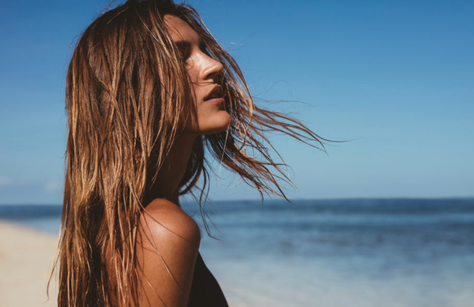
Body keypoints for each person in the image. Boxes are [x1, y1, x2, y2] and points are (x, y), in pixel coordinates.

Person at [53, 0, 325, 306]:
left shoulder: (122, 223)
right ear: (130, 86)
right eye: (180, 56)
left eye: (203, 51)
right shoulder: (162, 228)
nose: (214, 65)